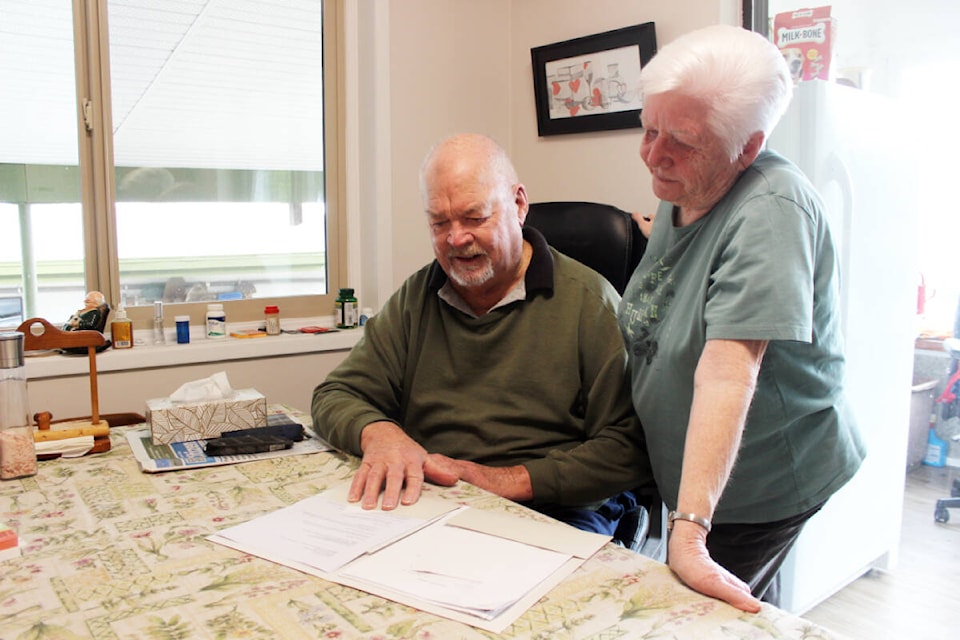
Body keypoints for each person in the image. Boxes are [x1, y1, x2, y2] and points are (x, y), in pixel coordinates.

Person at [618, 25, 865, 612]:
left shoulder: (772, 212)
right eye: (648, 128)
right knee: (747, 612)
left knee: (699, 615)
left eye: (679, 140)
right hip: (699, 480)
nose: (654, 154)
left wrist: (690, 530)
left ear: (748, 147)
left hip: (759, 484)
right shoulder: (686, 180)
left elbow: (731, 371)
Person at [312, 133, 652, 535]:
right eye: (439, 222)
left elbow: (630, 448)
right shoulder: (417, 298)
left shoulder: (591, 303)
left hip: (551, 508)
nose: (456, 239)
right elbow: (335, 394)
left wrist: (503, 481)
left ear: (519, 205)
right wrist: (382, 435)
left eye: (474, 217)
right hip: (432, 498)